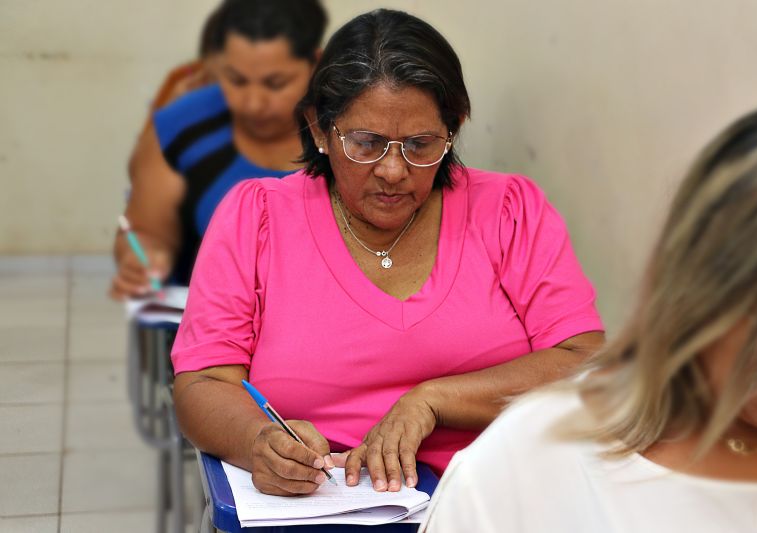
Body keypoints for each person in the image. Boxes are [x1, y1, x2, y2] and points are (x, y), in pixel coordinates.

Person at [170, 8, 604, 497]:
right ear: (318, 128)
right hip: (322, 504)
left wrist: (435, 400)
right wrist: (258, 442)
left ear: (453, 128)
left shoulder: (509, 211)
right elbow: (203, 383)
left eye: (421, 144)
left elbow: (583, 363)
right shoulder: (257, 219)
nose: (394, 170)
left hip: (501, 497)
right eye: (366, 143)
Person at [421, 105, 757, 533]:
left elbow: (577, 351)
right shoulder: (536, 463)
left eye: (419, 144)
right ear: (695, 293)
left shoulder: (511, 208)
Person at [110, 0, 328, 298]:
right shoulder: (183, 127)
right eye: (236, 80)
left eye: (275, 84)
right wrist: (143, 258)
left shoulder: (351, 127)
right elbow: (146, 231)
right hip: (211, 327)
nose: (253, 103)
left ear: (315, 63)